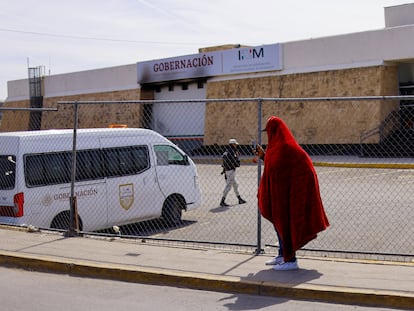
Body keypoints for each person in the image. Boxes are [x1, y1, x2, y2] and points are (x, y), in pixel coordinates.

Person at [256, 116, 329, 271]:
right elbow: (274, 165)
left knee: (286, 225)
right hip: (280, 195)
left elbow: (293, 168)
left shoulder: (287, 147)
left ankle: (291, 260)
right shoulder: (276, 147)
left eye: (269, 132)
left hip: (289, 196)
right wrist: (264, 156)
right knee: (279, 224)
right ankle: (282, 254)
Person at [220, 138, 247, 207]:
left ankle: (239, 199)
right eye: (235, 144)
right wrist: (237, 158)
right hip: (231, 171)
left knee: (235, 185)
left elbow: (224, 163)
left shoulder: (226, 152)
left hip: (227, 171)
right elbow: (236, 162)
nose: (236, 145)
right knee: (228, 186)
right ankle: (222, 201)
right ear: (232, 144)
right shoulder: (232, 152)